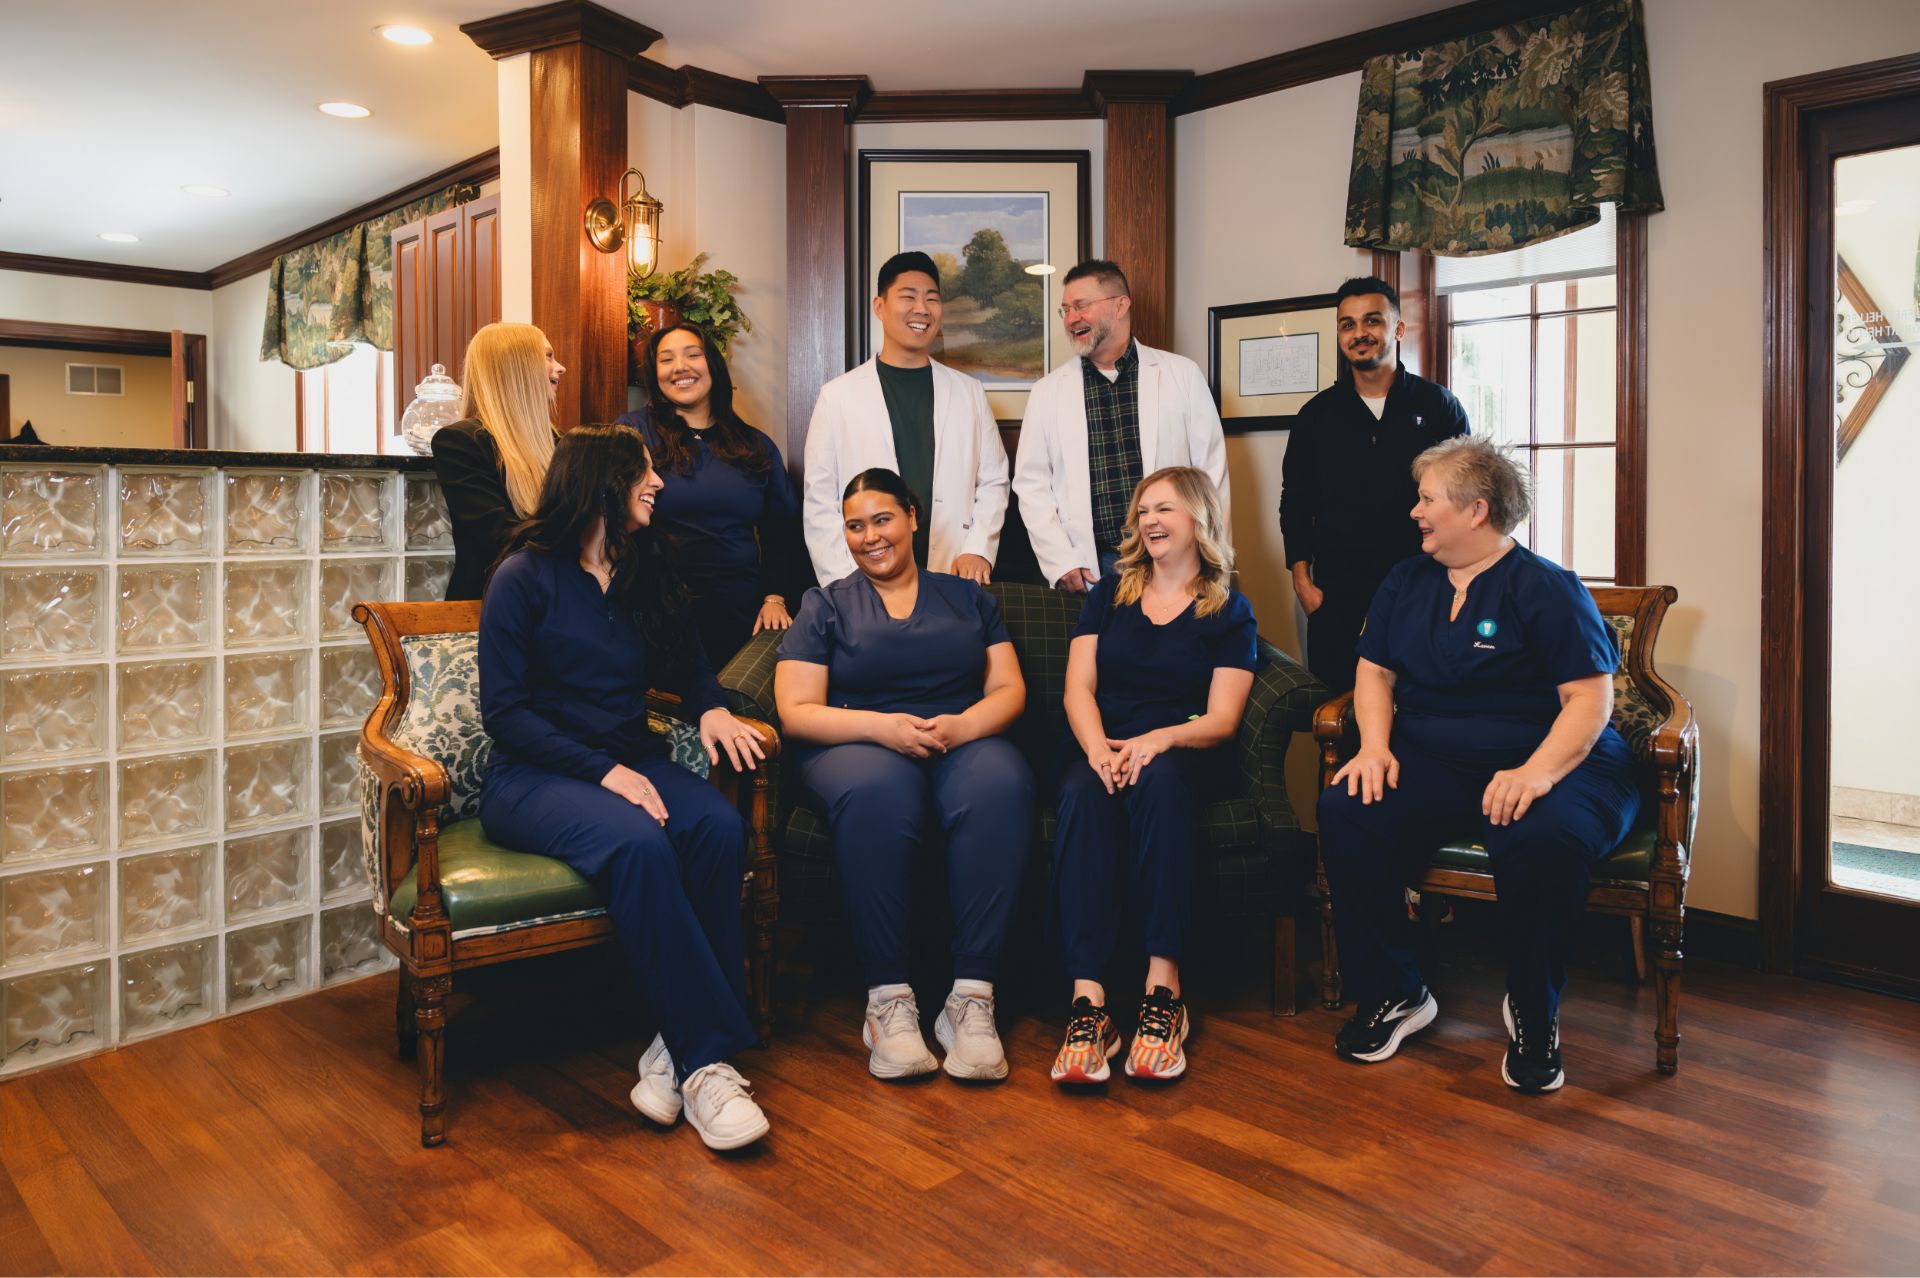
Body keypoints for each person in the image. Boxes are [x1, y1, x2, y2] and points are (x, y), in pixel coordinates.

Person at [477, 423, 774, 1150]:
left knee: (718, 827)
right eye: (644, 472)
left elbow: (690, 663)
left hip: (630, 760)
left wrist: (711, 709)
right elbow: (505, 713)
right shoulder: (522, 575)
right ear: (603, 482)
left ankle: (675, 1045)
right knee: (640, 844)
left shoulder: (645, 564)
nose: (659, 483)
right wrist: (606, 773)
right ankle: (707, 1068)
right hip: (534, 778)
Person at [1317, 435, 1639, 1094]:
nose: (1415, 511)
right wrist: (1375, 748)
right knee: (1349, 808)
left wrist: (1537, 773)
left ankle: (1534, 1009)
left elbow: (1589, 699)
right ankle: (1395, 992)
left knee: (1543, 834)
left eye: (1427, 499)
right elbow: (1374, 671)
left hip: (1555, 754)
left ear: (1476, 510)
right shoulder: (1406, 580)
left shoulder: (1546, 587)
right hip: (1437, 756)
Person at [776, 468, 1034, 1083]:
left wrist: (962, 728)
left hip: (958, 734)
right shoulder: (825, 605)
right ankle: (887, 1002)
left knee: (1001, 783)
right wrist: (881, 728)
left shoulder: (969, 598)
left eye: (882, 519)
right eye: (855, 526)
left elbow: (1008, 688)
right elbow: (796, 710)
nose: (870, 537)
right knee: (879, 792)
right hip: (855, 740)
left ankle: (971, 1000)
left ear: (913, 517)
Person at [1048, 467, 1257, 1085]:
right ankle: (1089, 1005)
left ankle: (1163, 993)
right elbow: (1078, 688)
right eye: (1143, 511)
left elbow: (1221, 719)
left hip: (1182, 750)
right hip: (1105, 745)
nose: (1150, 522)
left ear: (1198, 517)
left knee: (1161, 785)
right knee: (1081, 792)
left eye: (1164, 509)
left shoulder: (1229, 609)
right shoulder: (1109, 594)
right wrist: (1097, 749)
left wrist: (1158, 740)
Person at [1279, 276, 1468, 692]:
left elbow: (1465, 498)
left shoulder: (1438, 406)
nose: (1359, 333)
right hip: (1337, 597)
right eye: (1347, 324)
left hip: (1425, 588)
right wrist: (1302, 581)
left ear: (1397, 329)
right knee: (1338, 713)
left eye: (1372, 321)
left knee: (1423, 705)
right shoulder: (1316, 416)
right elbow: (1295, 502)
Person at [1014, 259, 1230, 592]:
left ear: (1120, 305)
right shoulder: (1047, 392)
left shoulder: (1182, 375)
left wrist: (1213, 563)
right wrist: (1060, 561)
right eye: (1065, 310)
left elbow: (1211, 475)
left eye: (1081, 306)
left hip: (1175, 560)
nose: (1071, 319)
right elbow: (1032, 485)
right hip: (1091, 567)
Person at [802, 251, 1008, 587]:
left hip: (953, 572)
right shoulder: (836, 397)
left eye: (932, 299)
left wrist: (978, 549)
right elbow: (820, 502)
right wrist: (845, 581)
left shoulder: (969, 392)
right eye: (908, 297)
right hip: (864, 581)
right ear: (879, 306)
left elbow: (993, 481)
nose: (922, 309)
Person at [615, 324, 803, 669]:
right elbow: (610, 519)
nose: (680, 367)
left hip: (741, 616)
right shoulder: (633, 434)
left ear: (712, 365)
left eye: (692, 355)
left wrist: (775, 597)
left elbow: (781, 531)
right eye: (666, 359)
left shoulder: (754, 445)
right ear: (654, 374)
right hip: (656, 613)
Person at [431, 322, 567, 601]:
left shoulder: (562, 444)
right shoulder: (460, 442)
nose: (561, 367)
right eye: (548, 356)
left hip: (555, 600)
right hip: (492, 605)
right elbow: (498, 536)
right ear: (517, 367)